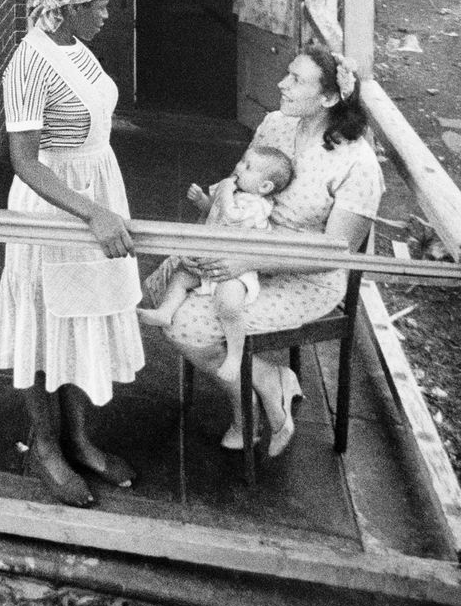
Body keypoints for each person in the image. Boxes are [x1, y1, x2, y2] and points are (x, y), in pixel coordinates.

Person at [147, 44, 383, 459]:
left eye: (295, 80)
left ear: (329, 98)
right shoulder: (276, 124)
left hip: (305, 275)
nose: (281, 84)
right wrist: (216, 206)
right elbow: (245, 180)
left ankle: (248, 410)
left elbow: (334, 254)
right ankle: (269, 378)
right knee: (165, 281)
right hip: (248, 244)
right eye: (286, 74)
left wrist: (249, 260)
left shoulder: (358, 165)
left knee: (188, 327)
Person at [0, 0, 144, 507]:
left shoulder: (76, 47)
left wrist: (103, 196)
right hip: (53, 205)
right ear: (70, 7)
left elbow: (90, 118)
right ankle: (46, 443)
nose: (106, 14)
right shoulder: (26, 64)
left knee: (85, 313)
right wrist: (92, 211)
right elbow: (26, 162)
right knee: (40, 315)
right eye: (98, 6)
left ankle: (79, 438)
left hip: (94, 189)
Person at [138, 142, 294, 383]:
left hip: (237, 270)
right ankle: (165, 312)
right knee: (180, 276)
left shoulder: (257, 205)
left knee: (229, 304)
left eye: (248, 166)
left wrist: (223, 193)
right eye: (242, 161)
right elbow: (215, 212)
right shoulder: (235, 194)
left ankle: (234, 355)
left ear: (264, 186)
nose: (239, 167)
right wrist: (203, 200)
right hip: (210, 261)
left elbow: (231, 219)